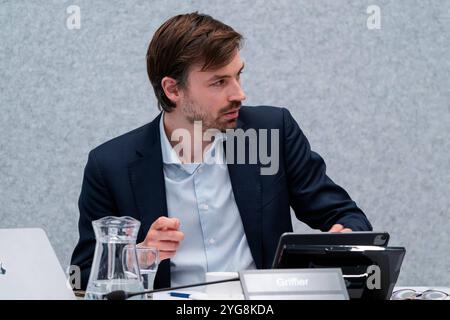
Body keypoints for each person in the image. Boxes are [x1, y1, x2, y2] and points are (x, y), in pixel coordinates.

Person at [71, 12, 372, 290]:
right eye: (219, 82)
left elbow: (346, 215)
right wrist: (139, 257)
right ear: (173, 90)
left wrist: (343, 239)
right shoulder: (110, 166)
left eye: (238, 75)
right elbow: (81, 276)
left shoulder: (272, 132)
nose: (239, 94)